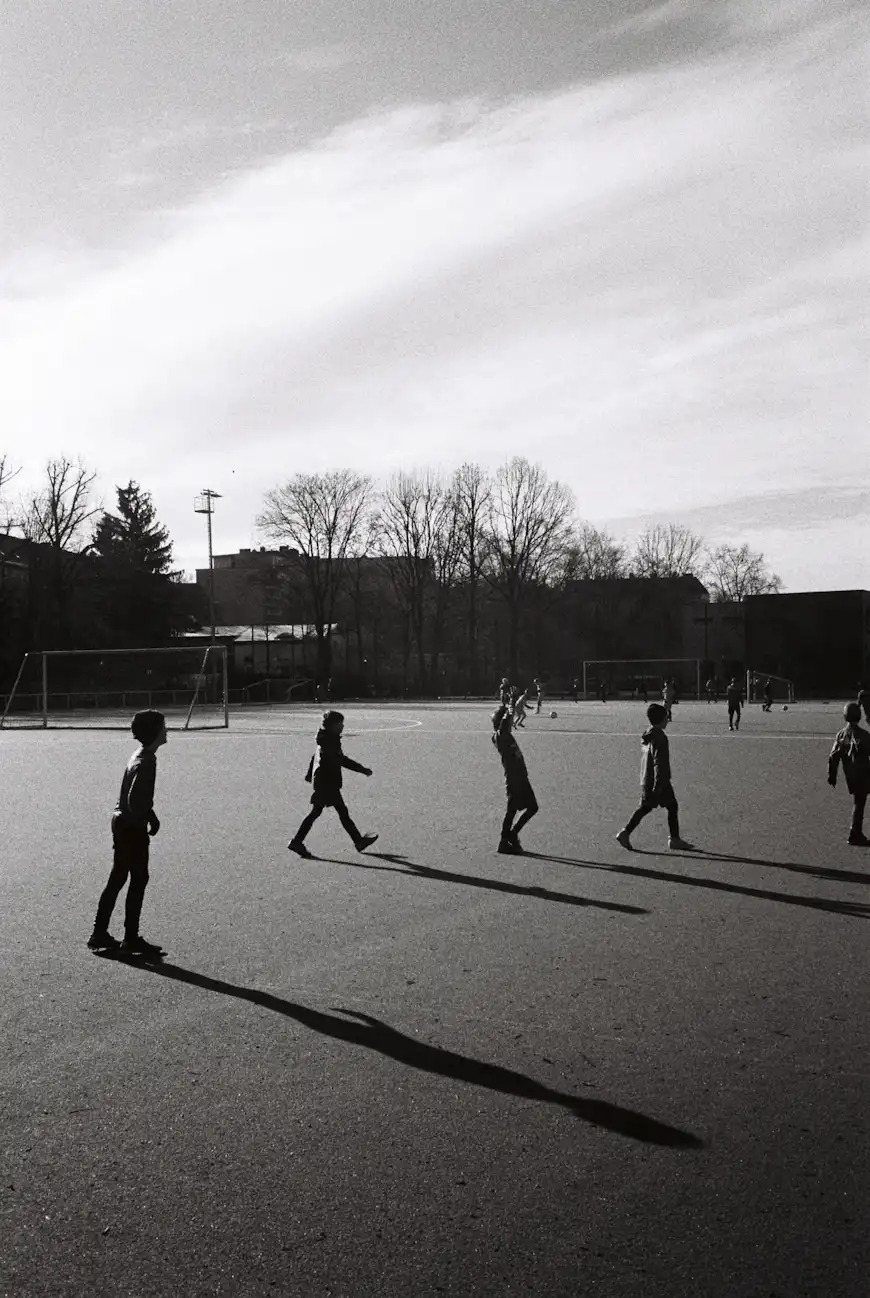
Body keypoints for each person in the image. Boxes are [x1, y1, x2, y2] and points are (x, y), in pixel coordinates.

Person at [88, 709, 168, 956]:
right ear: (155, 731)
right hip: (131, 827)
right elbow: (135, 798)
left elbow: (135, 796)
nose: (166, 730)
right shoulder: (146, 761)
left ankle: (100, 932)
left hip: (122, 823)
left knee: (119, 877)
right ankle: (129, 938)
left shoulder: (140, 755)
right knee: (137, 878)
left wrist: (150, 815)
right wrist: (143, 817)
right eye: (163, 726)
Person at [288, 711, 378, 858]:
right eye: (340, 724)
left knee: (323, 812)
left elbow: (315, 756)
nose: (342, 726)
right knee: (338, 813)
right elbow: (342, 760)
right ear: (332, 726)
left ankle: (297, 842)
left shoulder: (326, 738)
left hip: (324, 781)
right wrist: (362, 769)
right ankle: (358, 841)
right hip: (327, 783)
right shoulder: (330, 742)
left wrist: (309, 774)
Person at [616, 703, 695, 851]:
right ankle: (673, 839)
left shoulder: (649, 733)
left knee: (654, 807)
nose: (668, 720)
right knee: (666, 806)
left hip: (647, 777)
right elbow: (659, 762)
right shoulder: (660, 737)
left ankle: (626, 833)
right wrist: (659, 784)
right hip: (658, 780)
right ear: (662, 718)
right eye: (666, 717)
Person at [492, 705, 538, 854]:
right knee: (515, 810)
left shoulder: (504, 735)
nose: (512, 722)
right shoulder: (500, 736)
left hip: (519, 777)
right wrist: (510, 708)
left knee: (524, 808)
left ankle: (509, 837)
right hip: (514, 778)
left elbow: (506, 723)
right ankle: (506, 839)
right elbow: (505, 724)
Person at [827, 702, 870, 845]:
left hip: (850, 774)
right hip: (864, 773)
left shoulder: (841, 734)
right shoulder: (864, 735)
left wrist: (832, 775)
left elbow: (833, 756)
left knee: (859, 801)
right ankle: (855, 833)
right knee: (860, 802)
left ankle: (855, 832)